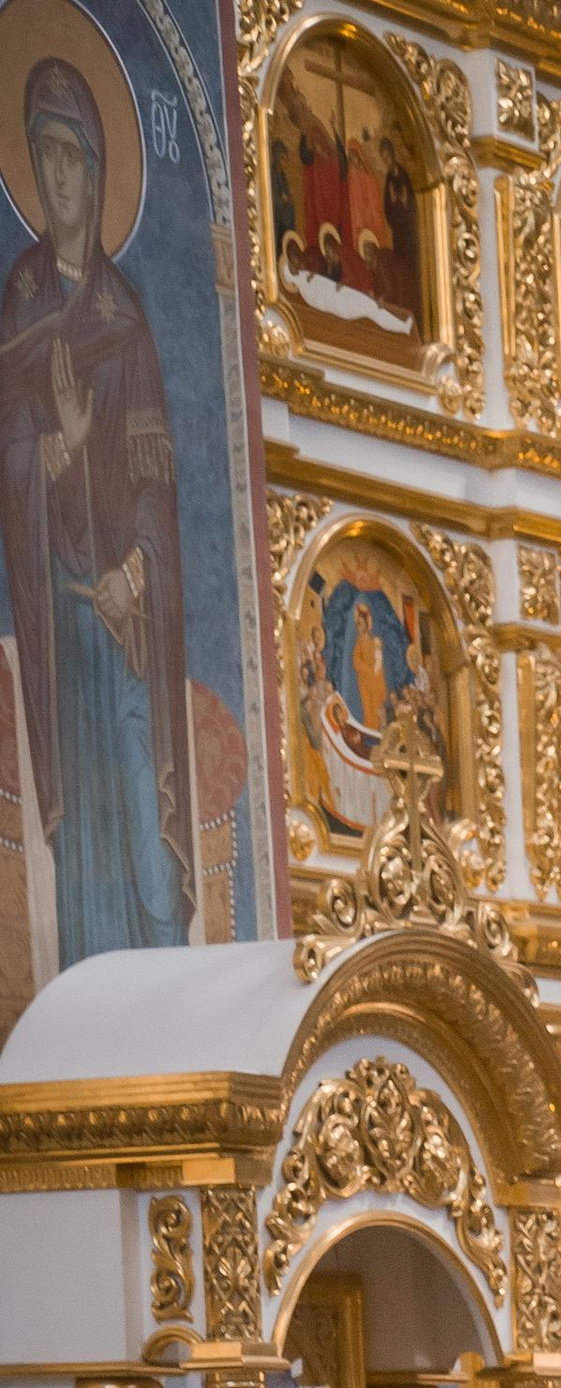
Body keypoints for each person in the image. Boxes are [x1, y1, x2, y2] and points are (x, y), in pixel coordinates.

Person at [0, 54, 194, 969]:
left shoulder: (127, 313)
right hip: (64, 624)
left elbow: (158, 487)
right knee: (85, 839)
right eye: (44, 158)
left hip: (125, 625)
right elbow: (11, 466)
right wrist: (64, 443)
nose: (60, 177)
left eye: (73, 157)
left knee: (150, 855)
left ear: (99, 166)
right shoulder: (22, 308)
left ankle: (168, 1002)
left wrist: (135, 575)